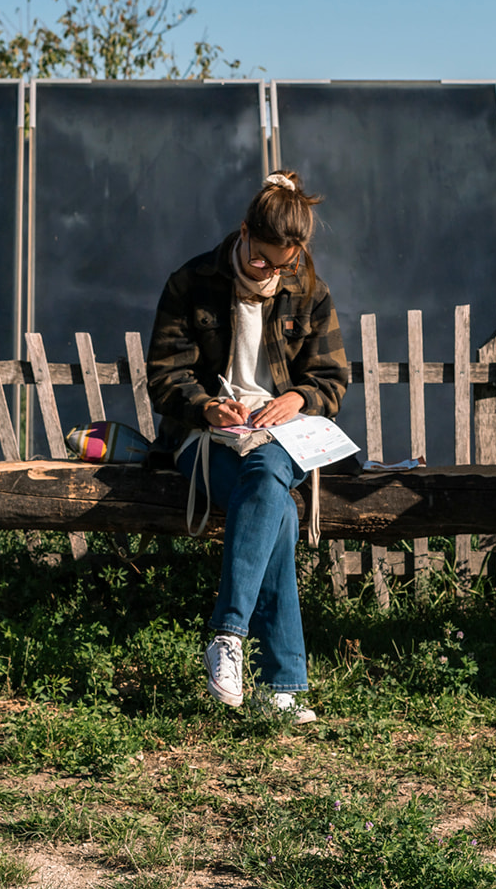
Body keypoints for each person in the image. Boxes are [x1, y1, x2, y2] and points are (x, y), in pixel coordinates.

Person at [146, 170, 348, 725]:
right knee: (276, 507)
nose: (273, 272)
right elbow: (165, 378)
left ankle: (228, 638)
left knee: (268, 472)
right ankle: (281, 685)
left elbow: (332, 379)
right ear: (243, 233)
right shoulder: (191, 283)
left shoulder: (309, 289)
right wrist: (207, 406)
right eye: (263, 260)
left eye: (284, 264)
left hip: (280, 437)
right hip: (205, 437)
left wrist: (298, 399)